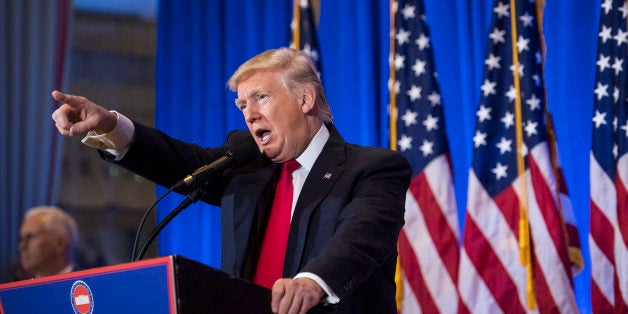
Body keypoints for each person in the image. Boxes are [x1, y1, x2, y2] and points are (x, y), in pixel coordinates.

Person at [51, 47, 411, 313]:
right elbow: (178, 161)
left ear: (306, 98)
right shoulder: (246, 165)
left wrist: (312, 282)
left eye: (261, 98)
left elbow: (361, 237)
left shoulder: (373, 168)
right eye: (242, 105)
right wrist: (109, 126)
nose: (250, 115)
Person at [18, 206, 79, 278]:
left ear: (60, 244)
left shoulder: (89, 284)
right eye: (21, 238)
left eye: (30, 237)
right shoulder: (18, 287)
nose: (22, 246)